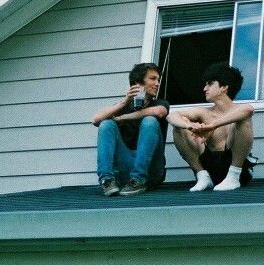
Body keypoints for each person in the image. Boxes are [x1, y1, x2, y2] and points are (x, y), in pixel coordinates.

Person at [167, 62, 254, 192]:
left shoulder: (239, 110)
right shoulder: (204, 112)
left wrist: (212, 126)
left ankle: (233, 177)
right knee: (179, 124)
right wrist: (190, 126)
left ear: (223, 87)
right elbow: (172, 116)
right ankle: (202, 176)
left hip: (236, 169)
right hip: (210, 167)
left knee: (242, 120)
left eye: (209, 83)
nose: (204, 88)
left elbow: (248, 110)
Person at [92, 63, 169, 196]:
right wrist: (125, 102)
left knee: (150, 121)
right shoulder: (123, 106)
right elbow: (95, 120)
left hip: (151, 171)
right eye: (153, 79)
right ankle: (107, 180)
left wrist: (123, 118)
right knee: (106, 124)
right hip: (125, 172)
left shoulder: (160, 103)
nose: (157, 83)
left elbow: (159, 112)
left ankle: (138, 179)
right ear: (137, 83)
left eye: (158, 79)